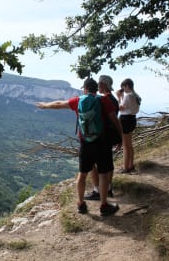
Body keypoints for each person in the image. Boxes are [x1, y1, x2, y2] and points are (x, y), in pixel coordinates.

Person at [36, 78, 121, 216]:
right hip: (102, 142)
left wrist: (45, 105)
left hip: (85, 143)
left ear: (85, 88)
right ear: (95, 89)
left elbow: (59, 104)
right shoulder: (104, 100)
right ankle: (104, 205)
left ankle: (81, 204)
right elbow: (114, 119)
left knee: (82, 174)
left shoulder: (78, 100)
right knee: (103, 174)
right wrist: (120, 137)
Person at [85, 75, 121, 201]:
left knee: (93, 164)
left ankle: (97, 190)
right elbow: (115, 119)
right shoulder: (114, 99)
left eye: (99, 84)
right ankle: (108, 188)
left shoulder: (102, 100)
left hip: (101, 136)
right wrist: (119, 137)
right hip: (111, 135)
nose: (97, 87)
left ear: (104, 85)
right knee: (108, 164)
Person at [115, 78, 141, 173]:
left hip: (125, 120)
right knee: (129, 145)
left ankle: (125, 168)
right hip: (132, 119)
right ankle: (131, 165)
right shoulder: (136, 96)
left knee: (125, 146)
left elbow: (120, 108)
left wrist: (119, 97)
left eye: (123, 87)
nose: (123, 90)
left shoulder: (128, 96)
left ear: (126, 86)